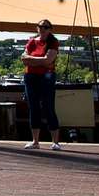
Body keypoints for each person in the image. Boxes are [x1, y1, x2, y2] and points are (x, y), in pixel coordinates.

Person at [21, 19, 61, 151]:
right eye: (40, 26)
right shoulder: (32, 41)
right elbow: (23, 59)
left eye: (46, 27)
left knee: (48, 106)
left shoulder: (53, 42)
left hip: (46, 76)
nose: (43, 29)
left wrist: (32, 60)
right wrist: (41, 61)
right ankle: (35, 141)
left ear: (50, 29)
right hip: (30, 77)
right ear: (37, 28)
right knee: (34, 107)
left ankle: (55, 141)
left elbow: (48, 60)